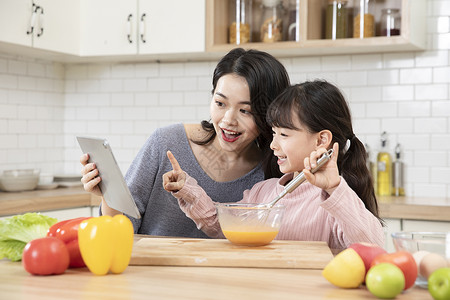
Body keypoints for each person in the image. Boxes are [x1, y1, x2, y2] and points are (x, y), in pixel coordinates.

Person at [80, 48, 291, 237]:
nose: (228, 120)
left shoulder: (274, 171)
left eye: (245, 111)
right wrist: (108, 195)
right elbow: (120, 229)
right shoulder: (166, 142)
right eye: (220, 103)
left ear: (269, 114)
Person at [163, 80, 385, 251]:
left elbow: (373, 249)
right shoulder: (264, 192)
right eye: (274, 133)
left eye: (284, 135)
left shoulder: (336, 201)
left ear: (321, 140)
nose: (273, 145)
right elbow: (218, 224)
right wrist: (187, 189)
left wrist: (335, 187)